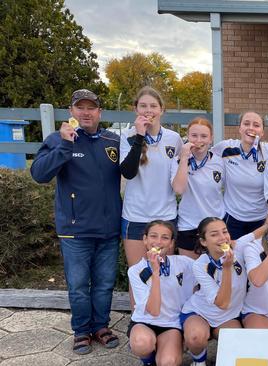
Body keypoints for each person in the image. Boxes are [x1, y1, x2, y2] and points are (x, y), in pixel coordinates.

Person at [31, 89, 121, 355]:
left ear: (99, 112)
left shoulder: (112, 140)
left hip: (108, 230)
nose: (85, 112)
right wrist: (65, 145)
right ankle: (82, 330)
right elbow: (39, 174)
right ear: (71, 112)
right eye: (79, 108)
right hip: (75, 231)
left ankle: (100, 326)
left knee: (104, 284)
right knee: (79, 286)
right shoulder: (58, 139)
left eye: (91, 107)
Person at [120, 87, 183, 270]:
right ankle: (137, 302)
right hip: (135, 216)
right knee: (138, 275)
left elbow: (179, 177)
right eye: (143, 106)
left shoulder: (174, 138)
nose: (149, 110)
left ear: (161, 109)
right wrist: (140, 135)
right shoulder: (127, 136)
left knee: (162, 274)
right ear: (135, 109)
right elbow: (128, 172)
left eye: (153, 106)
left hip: (165, 217)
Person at [180, 217, 247, 366]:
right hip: (200, 311)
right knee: (196, 337)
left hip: (229, 316)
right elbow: (221, 303)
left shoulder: (240, 250)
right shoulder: (200, 265)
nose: (223, 237)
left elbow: (261, 231)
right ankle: (199, 361)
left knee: (237, 345)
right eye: (214, 234)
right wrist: (227, 268)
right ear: (204, 241)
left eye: (225, 231)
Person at [127, 220, 195, 366]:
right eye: (153, 236)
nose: (158, 242)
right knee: (141, 343)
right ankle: (148, 361)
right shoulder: (135, 271)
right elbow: (153, 311)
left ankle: (168, 348)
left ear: (171, 243)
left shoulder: (183, 263)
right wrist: (156, 271)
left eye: (165, 237)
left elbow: (206, 271)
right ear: (145, 239)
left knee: (168, 362)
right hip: (144, 322)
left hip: (171, 324)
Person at [211, 111, 268, 240]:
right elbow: (203, 153)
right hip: (232, 218)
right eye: (246, 123)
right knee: (233, 258)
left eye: (256, 125)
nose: (251, 128)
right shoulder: (225, 148)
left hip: (261, 219)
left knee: (258, 258)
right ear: (239, 128)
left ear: (262, 132)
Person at [171, 117, 225, 259]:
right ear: (188, 136)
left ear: (211, 138)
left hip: (215, 225)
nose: (199, 140)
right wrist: (184, 158)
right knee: (190, 277)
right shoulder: (178, 160)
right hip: (189, 225)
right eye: (194, 135)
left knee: (215, 275)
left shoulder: (220, 162)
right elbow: (178, 189)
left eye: (204, 136)